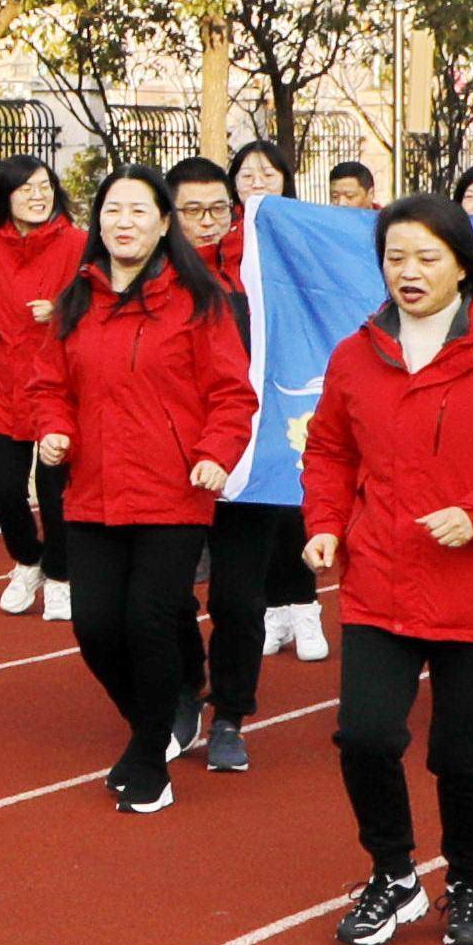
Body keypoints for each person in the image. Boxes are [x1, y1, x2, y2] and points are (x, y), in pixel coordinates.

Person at [301, 196, 473, 945]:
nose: (409, 272)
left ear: (460, 262)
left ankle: (469, 880)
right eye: (395, 257)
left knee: (462, 755)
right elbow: (328, 451)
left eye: (425, 257)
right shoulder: (356, 354)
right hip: (379, 578)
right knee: (364, 735)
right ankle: (394, 874)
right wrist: (324, 525)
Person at [22, 161, 260, 815]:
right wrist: (53, 428)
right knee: (96, 626)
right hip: (92, 489)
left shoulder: (199, 298)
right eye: (112, 210)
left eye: (138, 211)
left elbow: (233, 395)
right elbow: (48, 384)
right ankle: (156, 720)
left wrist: (215, 452)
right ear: (98, 221)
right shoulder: (77, 299)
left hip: (173, 491)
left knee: (148, 619)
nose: (123, 223)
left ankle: (150, 752)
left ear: (163, 224)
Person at [170, 153, 299, 768]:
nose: (206, 222)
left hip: (252, 459)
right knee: (163, 595)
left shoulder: (268, 266)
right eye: (190, 211)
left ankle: (229, 715)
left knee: (239, 598)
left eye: (217, 209)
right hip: (170, 462)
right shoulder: (146, 276)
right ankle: (182, 688)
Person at [0, 156, 83, 621]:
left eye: (45, 186)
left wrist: (64, 308)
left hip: (58, 387)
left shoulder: (79, 243)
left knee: (56, 491)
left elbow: (104, 294)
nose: (38, 196)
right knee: (5, 488)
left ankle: (62, 576)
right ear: (4, 195)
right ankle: (28, 561)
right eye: (25, 189)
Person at [231, 138, 334, 666]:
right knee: (258, 503)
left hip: (294, 378)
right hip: (241, 384)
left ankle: (305, 605)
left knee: (294, 493)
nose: (256, 181)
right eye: (246, 174)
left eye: (267, 173)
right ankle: (273, 607)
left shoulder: (303, 233)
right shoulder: (223, 241)